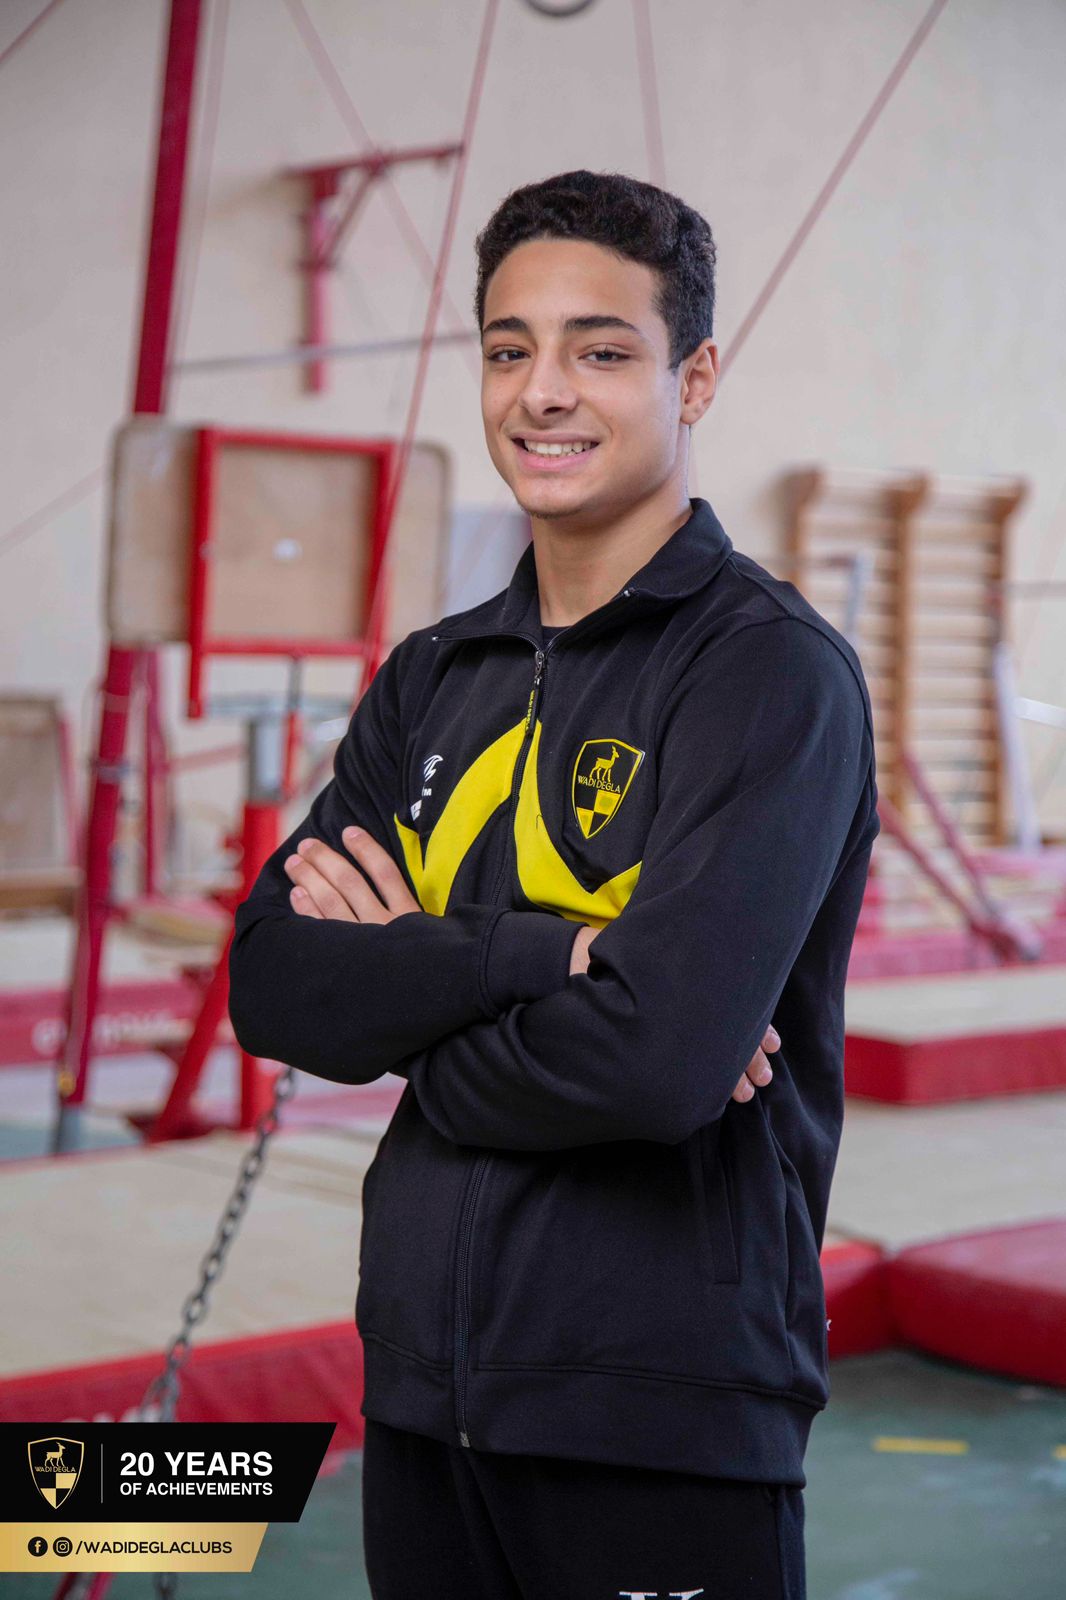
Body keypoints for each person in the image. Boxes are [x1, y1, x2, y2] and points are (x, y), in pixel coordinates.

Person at [228, 169, 879, 1599]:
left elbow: (654, 1062)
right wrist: (534, 960)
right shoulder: (434, 674)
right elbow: (274, 983)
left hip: (660, 1403)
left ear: (691, 378)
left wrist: (407, 992)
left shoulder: (763, 673)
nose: (543, 393)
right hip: (423, 1390)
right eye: (509, 349)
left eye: (600, 350)